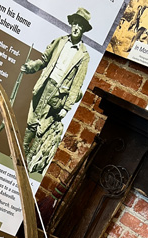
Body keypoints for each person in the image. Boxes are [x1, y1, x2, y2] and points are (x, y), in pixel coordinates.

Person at [21, 8, 92, 173]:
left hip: (58, 97)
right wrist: (30, 67)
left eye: (80, 25)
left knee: (42, 127)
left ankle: (30, 164)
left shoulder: (84, 56)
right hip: (44, 86)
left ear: (83, 30)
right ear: (71, 24)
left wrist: (66, 108)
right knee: (32, 121)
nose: (76, 27)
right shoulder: (59, 41)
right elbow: (44, 60)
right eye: (75, 23)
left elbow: (77, 85)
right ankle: (20, 154)